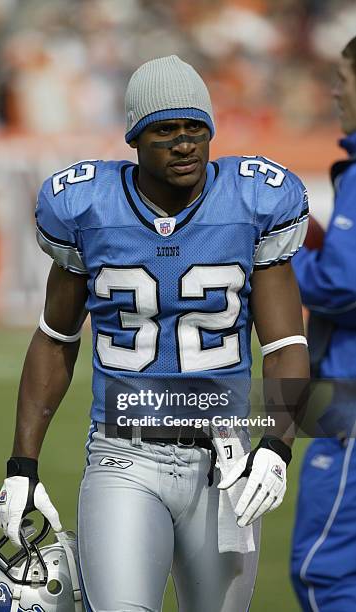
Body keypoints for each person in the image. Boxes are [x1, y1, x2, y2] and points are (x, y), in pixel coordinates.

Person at [0, 55, 309, 612]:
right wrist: (22, 464)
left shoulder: (252, 201)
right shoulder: (88, 206)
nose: (184, 144)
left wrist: (276, 447)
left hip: (227, 464)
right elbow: (55, 338)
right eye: (166, 130)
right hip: (124, 455)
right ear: (136, 139)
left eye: (195, 129)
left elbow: (286, 345)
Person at [290, 37, 356, 612]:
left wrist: (282, 255)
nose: (336, 90)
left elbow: (343, 281)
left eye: (344, 77)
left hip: (348, 408)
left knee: (324, 575)